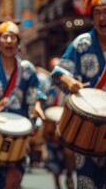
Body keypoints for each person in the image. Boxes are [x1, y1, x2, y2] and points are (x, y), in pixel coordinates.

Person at [51, 0, 106, 188]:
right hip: (89, 126)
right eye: (97, 12)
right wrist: (69, 82)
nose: (102, 17)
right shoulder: (81, 44)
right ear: (92, 17)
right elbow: (58, 72)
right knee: (89, 182)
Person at [0, 20, 45, 189]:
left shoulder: (27, 69)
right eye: (5, 37)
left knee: (13, 182)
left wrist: (37, 105)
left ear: (18, 42)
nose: (9, 41)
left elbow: (34, 93)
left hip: (19, 134)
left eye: (13, 38)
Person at [40, 57, 75, 189]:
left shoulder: (69, 85)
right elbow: (41, 101)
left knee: (69, 153)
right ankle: (57, 184)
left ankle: (70, 175)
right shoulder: (47, 86)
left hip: (67, 125)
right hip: (51, 126)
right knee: (53, 157)